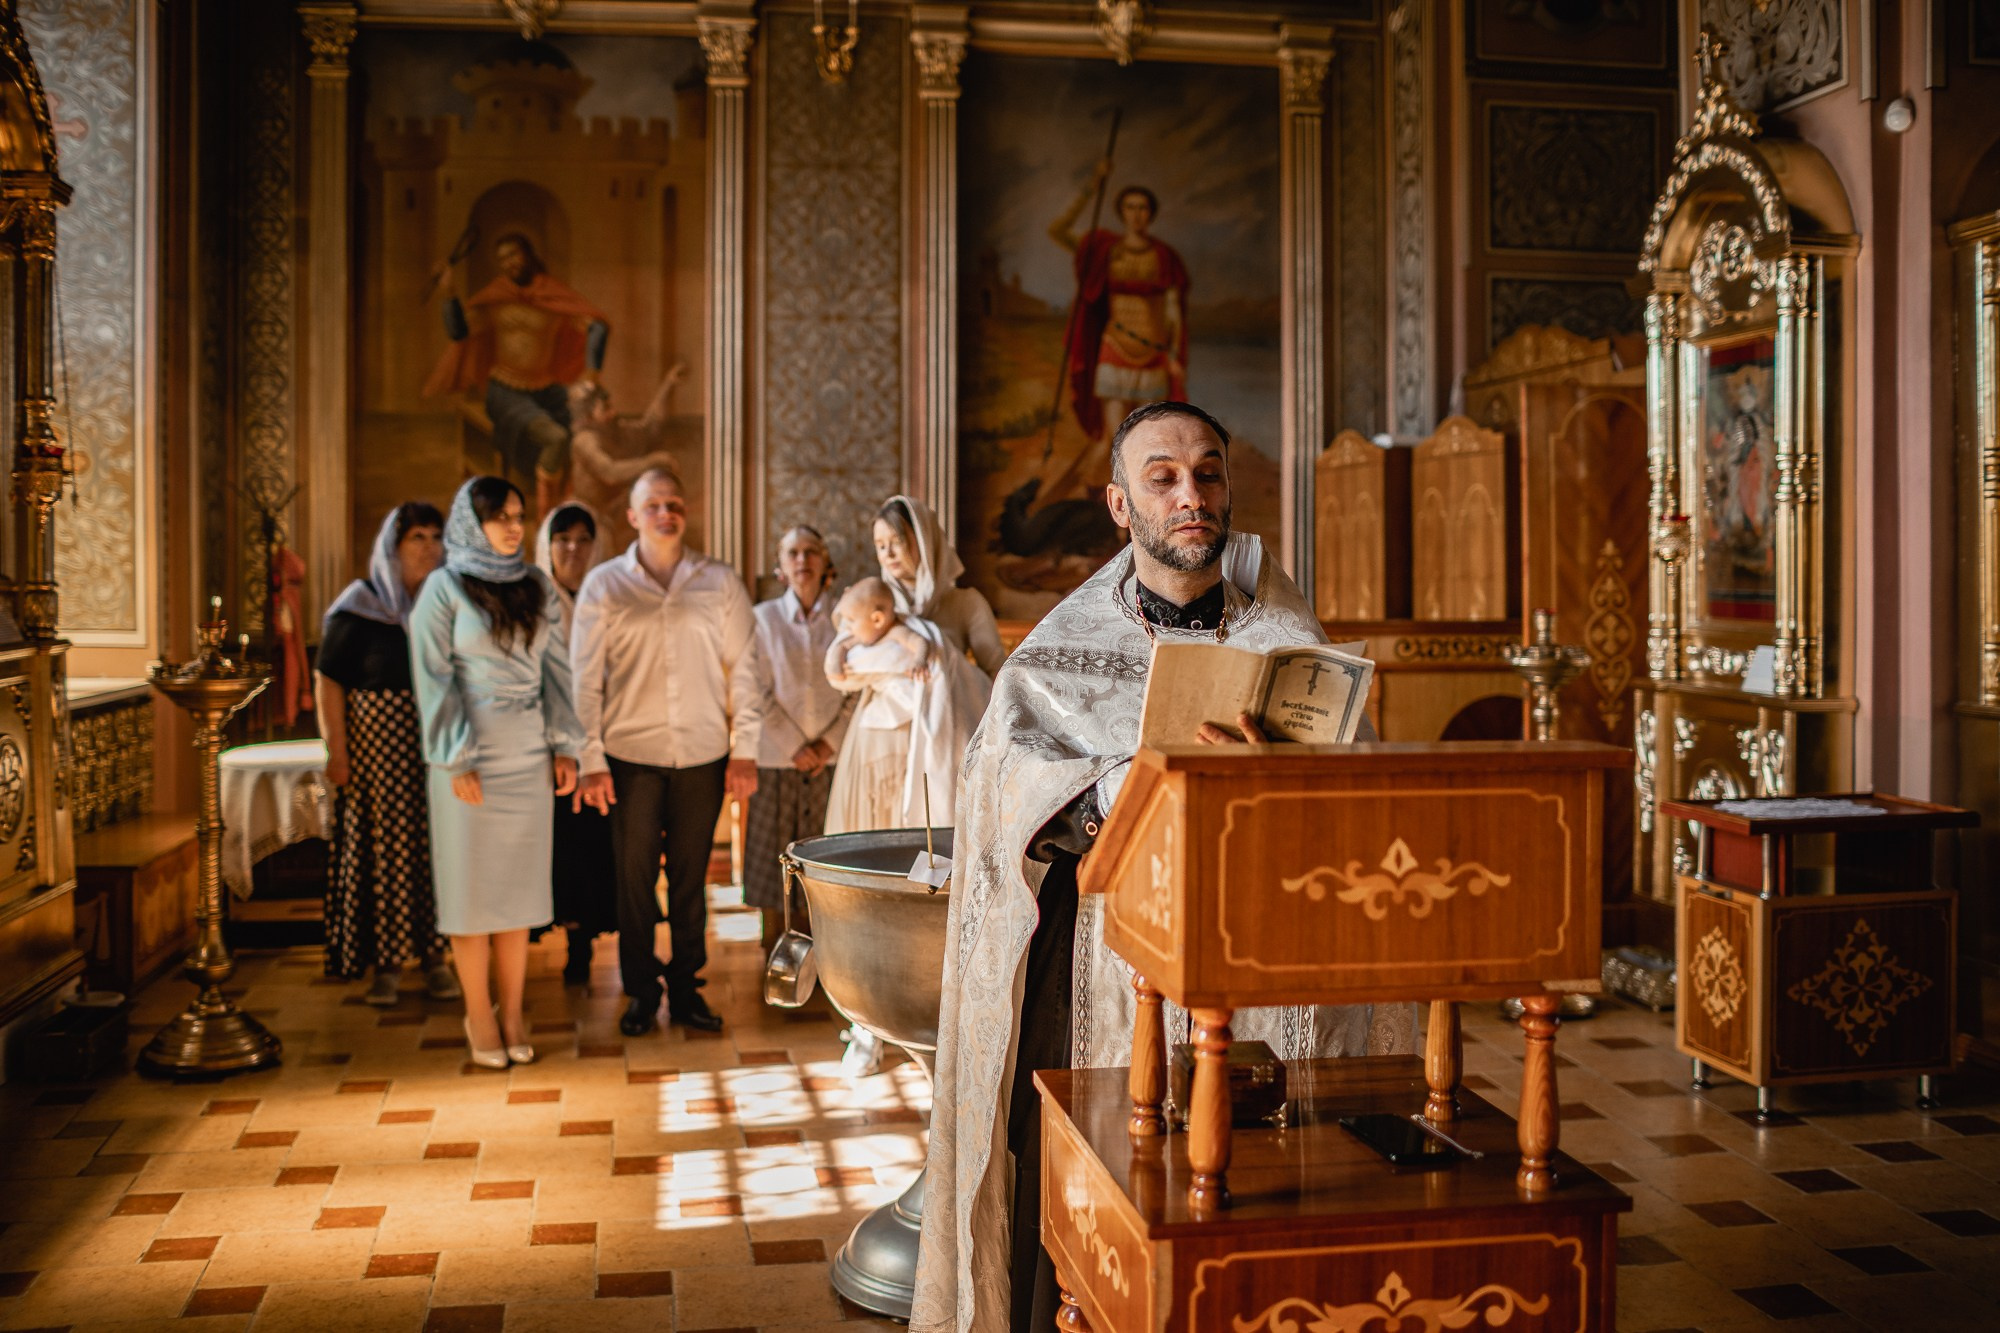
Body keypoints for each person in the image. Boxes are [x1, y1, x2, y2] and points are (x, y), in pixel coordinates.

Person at [909, 402, 1414, 1333]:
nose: (1193, 495)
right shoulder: (1061, 651)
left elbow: (1360, 787)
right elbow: (1000, 792)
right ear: (1119, 502)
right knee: (1114, 1185)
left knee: (1264, 1191)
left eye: (1210, 473)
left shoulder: (1288, 635)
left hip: (1269, 954)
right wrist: (1113, 786)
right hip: (1113, 966)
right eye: (1164, 477)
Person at [573, 468, 761, 1037]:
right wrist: (589, 758)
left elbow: (745, 670)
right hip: (627, 755)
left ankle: (685, 990)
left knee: (689, 879)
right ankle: (638, 992)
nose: (664, 513)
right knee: (633, 881)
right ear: (632, 517)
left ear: (684, 512)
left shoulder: (719, 582)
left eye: (673, 503)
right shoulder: (604, 585)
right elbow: (583, 678)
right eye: (652, 504)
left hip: (703, 754)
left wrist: (744, 749)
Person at [411, 477, 583, 1069]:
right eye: (500, 517)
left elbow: (559, 672)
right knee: (470, 896)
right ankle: (478, 1015)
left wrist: (565, 746)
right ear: (471, 522)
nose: (515, 526)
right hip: (466, 762)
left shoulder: (536, 585)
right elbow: (433, 677)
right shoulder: (442, 588)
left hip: (528, 758)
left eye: (518, 515)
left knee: (517, 896)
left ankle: (512, 1011)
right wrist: (455, 755)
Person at [315, 501, 459, 1006]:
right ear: (392, 547)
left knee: (435, 853)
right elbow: (329, 680)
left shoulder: (445, 604)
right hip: (377, 758)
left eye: (436, 537)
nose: (429, 548)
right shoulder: (360, 605)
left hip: (435, 750)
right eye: (417, 537)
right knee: (385, 856)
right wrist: (338, 750)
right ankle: (388, 966)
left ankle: (437, 959)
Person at [423, 232, 611, 514]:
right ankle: (549, 514)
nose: (509, 263)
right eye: (502, 259)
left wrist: (592, 371)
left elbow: (597, 326)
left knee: (588, 422)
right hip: (505, 390)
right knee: (556, 438)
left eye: (514, 254)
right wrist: (449, 292)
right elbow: (459, 333)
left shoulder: (552, 296)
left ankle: (575, 498)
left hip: (546, 388)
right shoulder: (496, 299)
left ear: (528, 255)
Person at [742, 525, 852, 950]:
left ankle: (827, 945)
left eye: (811, 552)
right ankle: (777, 946)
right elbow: (755, 688)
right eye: (793, 553)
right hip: (776, 756)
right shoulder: (762, 618)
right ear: (780, 568)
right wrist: (793, 745)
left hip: (833, 758)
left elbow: (856, 689)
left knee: (827, 850)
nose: (803, 559)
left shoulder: (846, 617)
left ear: (826, 564)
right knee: (774, 850)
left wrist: (828, 744)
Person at [536, 502, 618, 987]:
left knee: (597, 846)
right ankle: (570, 941)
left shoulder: (607, 591)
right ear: (548, 546)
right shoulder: (536, 597)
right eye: (562, 539)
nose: (572, 548)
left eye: (582, 539)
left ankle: (589, 938)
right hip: (549, 744)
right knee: (560, 849)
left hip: (602, 740)